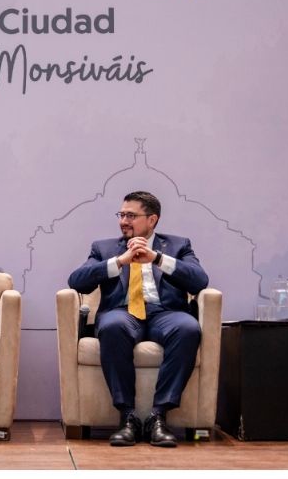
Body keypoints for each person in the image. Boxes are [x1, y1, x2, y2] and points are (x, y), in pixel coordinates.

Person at [68, 191, 209, 448]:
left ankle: (158, 417)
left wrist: (156, 258)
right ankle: (128, 418)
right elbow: (77, 281)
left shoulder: (179, 245)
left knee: (188, 328)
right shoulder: (104, 248)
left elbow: (199, 280)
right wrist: (119, 262)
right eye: (121, 215)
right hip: (123, 313)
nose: (123, 220)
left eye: (131, 215)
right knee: (111, 326)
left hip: (165, 313)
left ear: (152, 219)